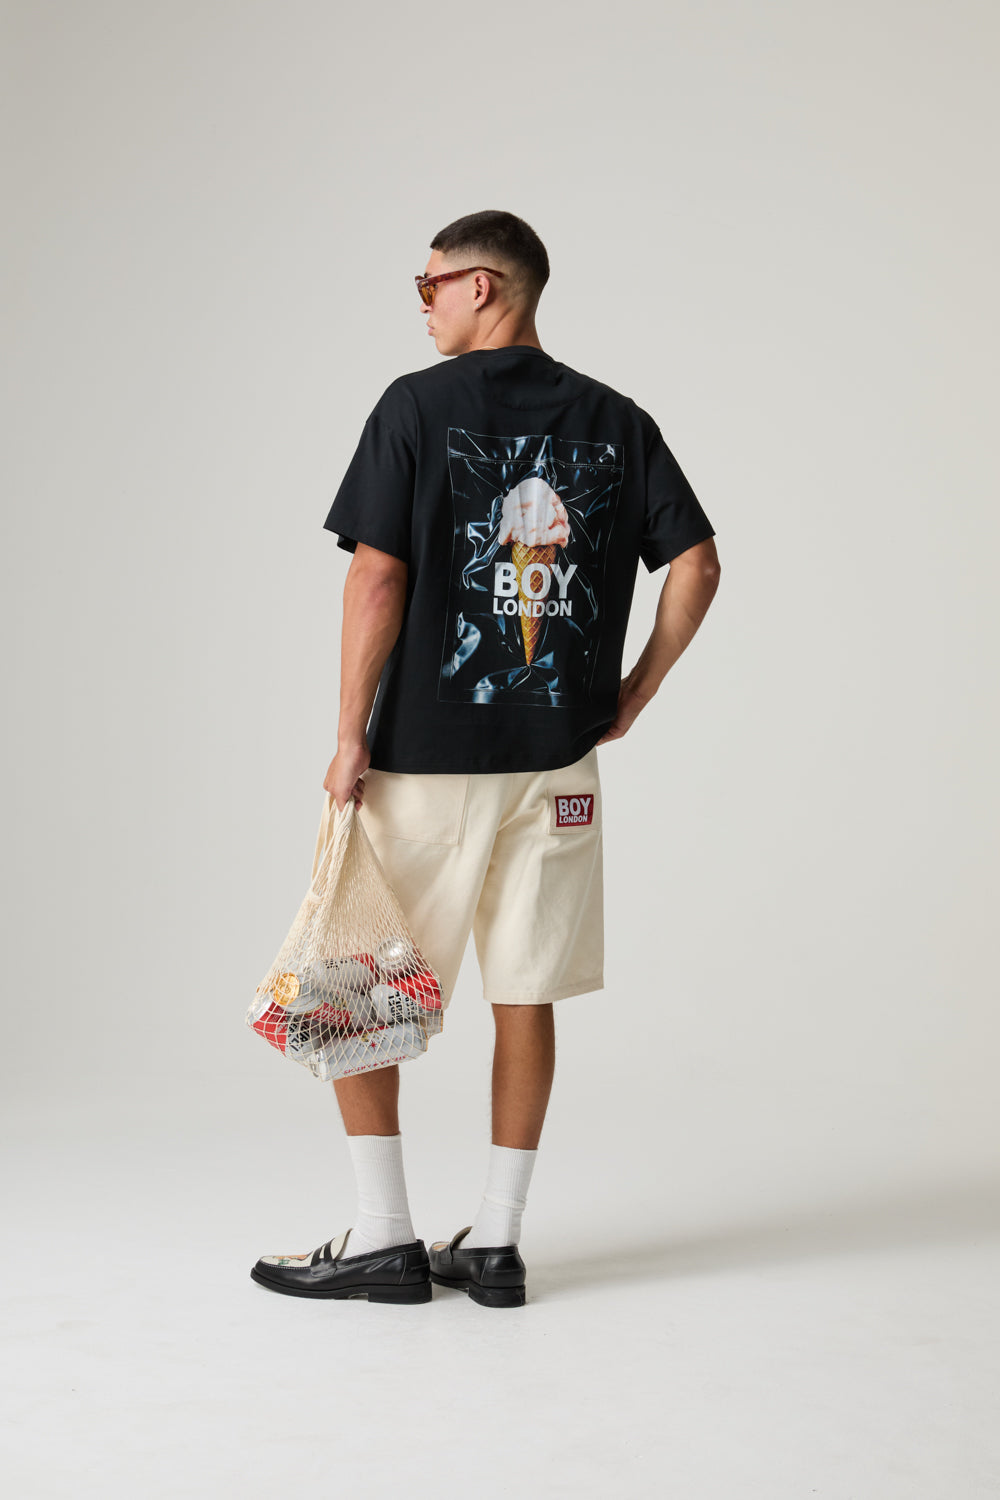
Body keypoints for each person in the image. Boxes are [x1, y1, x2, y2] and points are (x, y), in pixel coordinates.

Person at [250, 209, 721, 1308]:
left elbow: (377, 579)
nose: (417, 305)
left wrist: (347, 735)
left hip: (427, 758)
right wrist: (632, 696)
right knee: (527, 993)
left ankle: (381, 1236)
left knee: (359, 984)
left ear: (480, 287)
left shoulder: (414, 408)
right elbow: (695, 562)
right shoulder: (616, 418)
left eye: (426, 287)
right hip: (556, 766)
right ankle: (498, 1244)